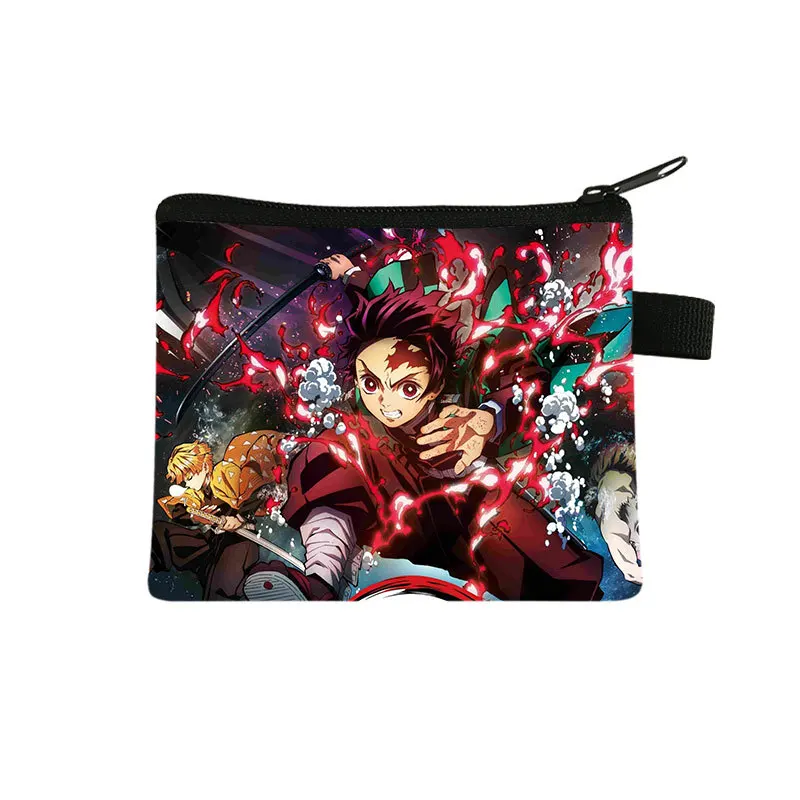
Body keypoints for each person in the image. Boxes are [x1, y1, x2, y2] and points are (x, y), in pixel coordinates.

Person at [245, 270, 603, 602]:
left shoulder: (468, 366)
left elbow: (524, 381)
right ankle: (319, 583)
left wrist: (488, 417)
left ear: (434, 385)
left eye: (407, 388)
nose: (386, 402)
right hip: (400, 511)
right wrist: (350, 273)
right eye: (371, 383)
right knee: (331, 451)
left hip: (469, 502)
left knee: (556, 570)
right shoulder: (357, 429)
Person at [151, 432, 282, 600]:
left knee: (219, 589)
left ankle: (265, 581)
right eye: (184, 481)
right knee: (160, 532)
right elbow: (179, 509)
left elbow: (260, 492)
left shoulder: (225, 474)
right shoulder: (196, 494)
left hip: (238, 541)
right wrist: (196, 517)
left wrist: (240, 518)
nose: (188, 483)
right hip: (211, 542)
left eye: (189, 477)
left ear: (204, 467)